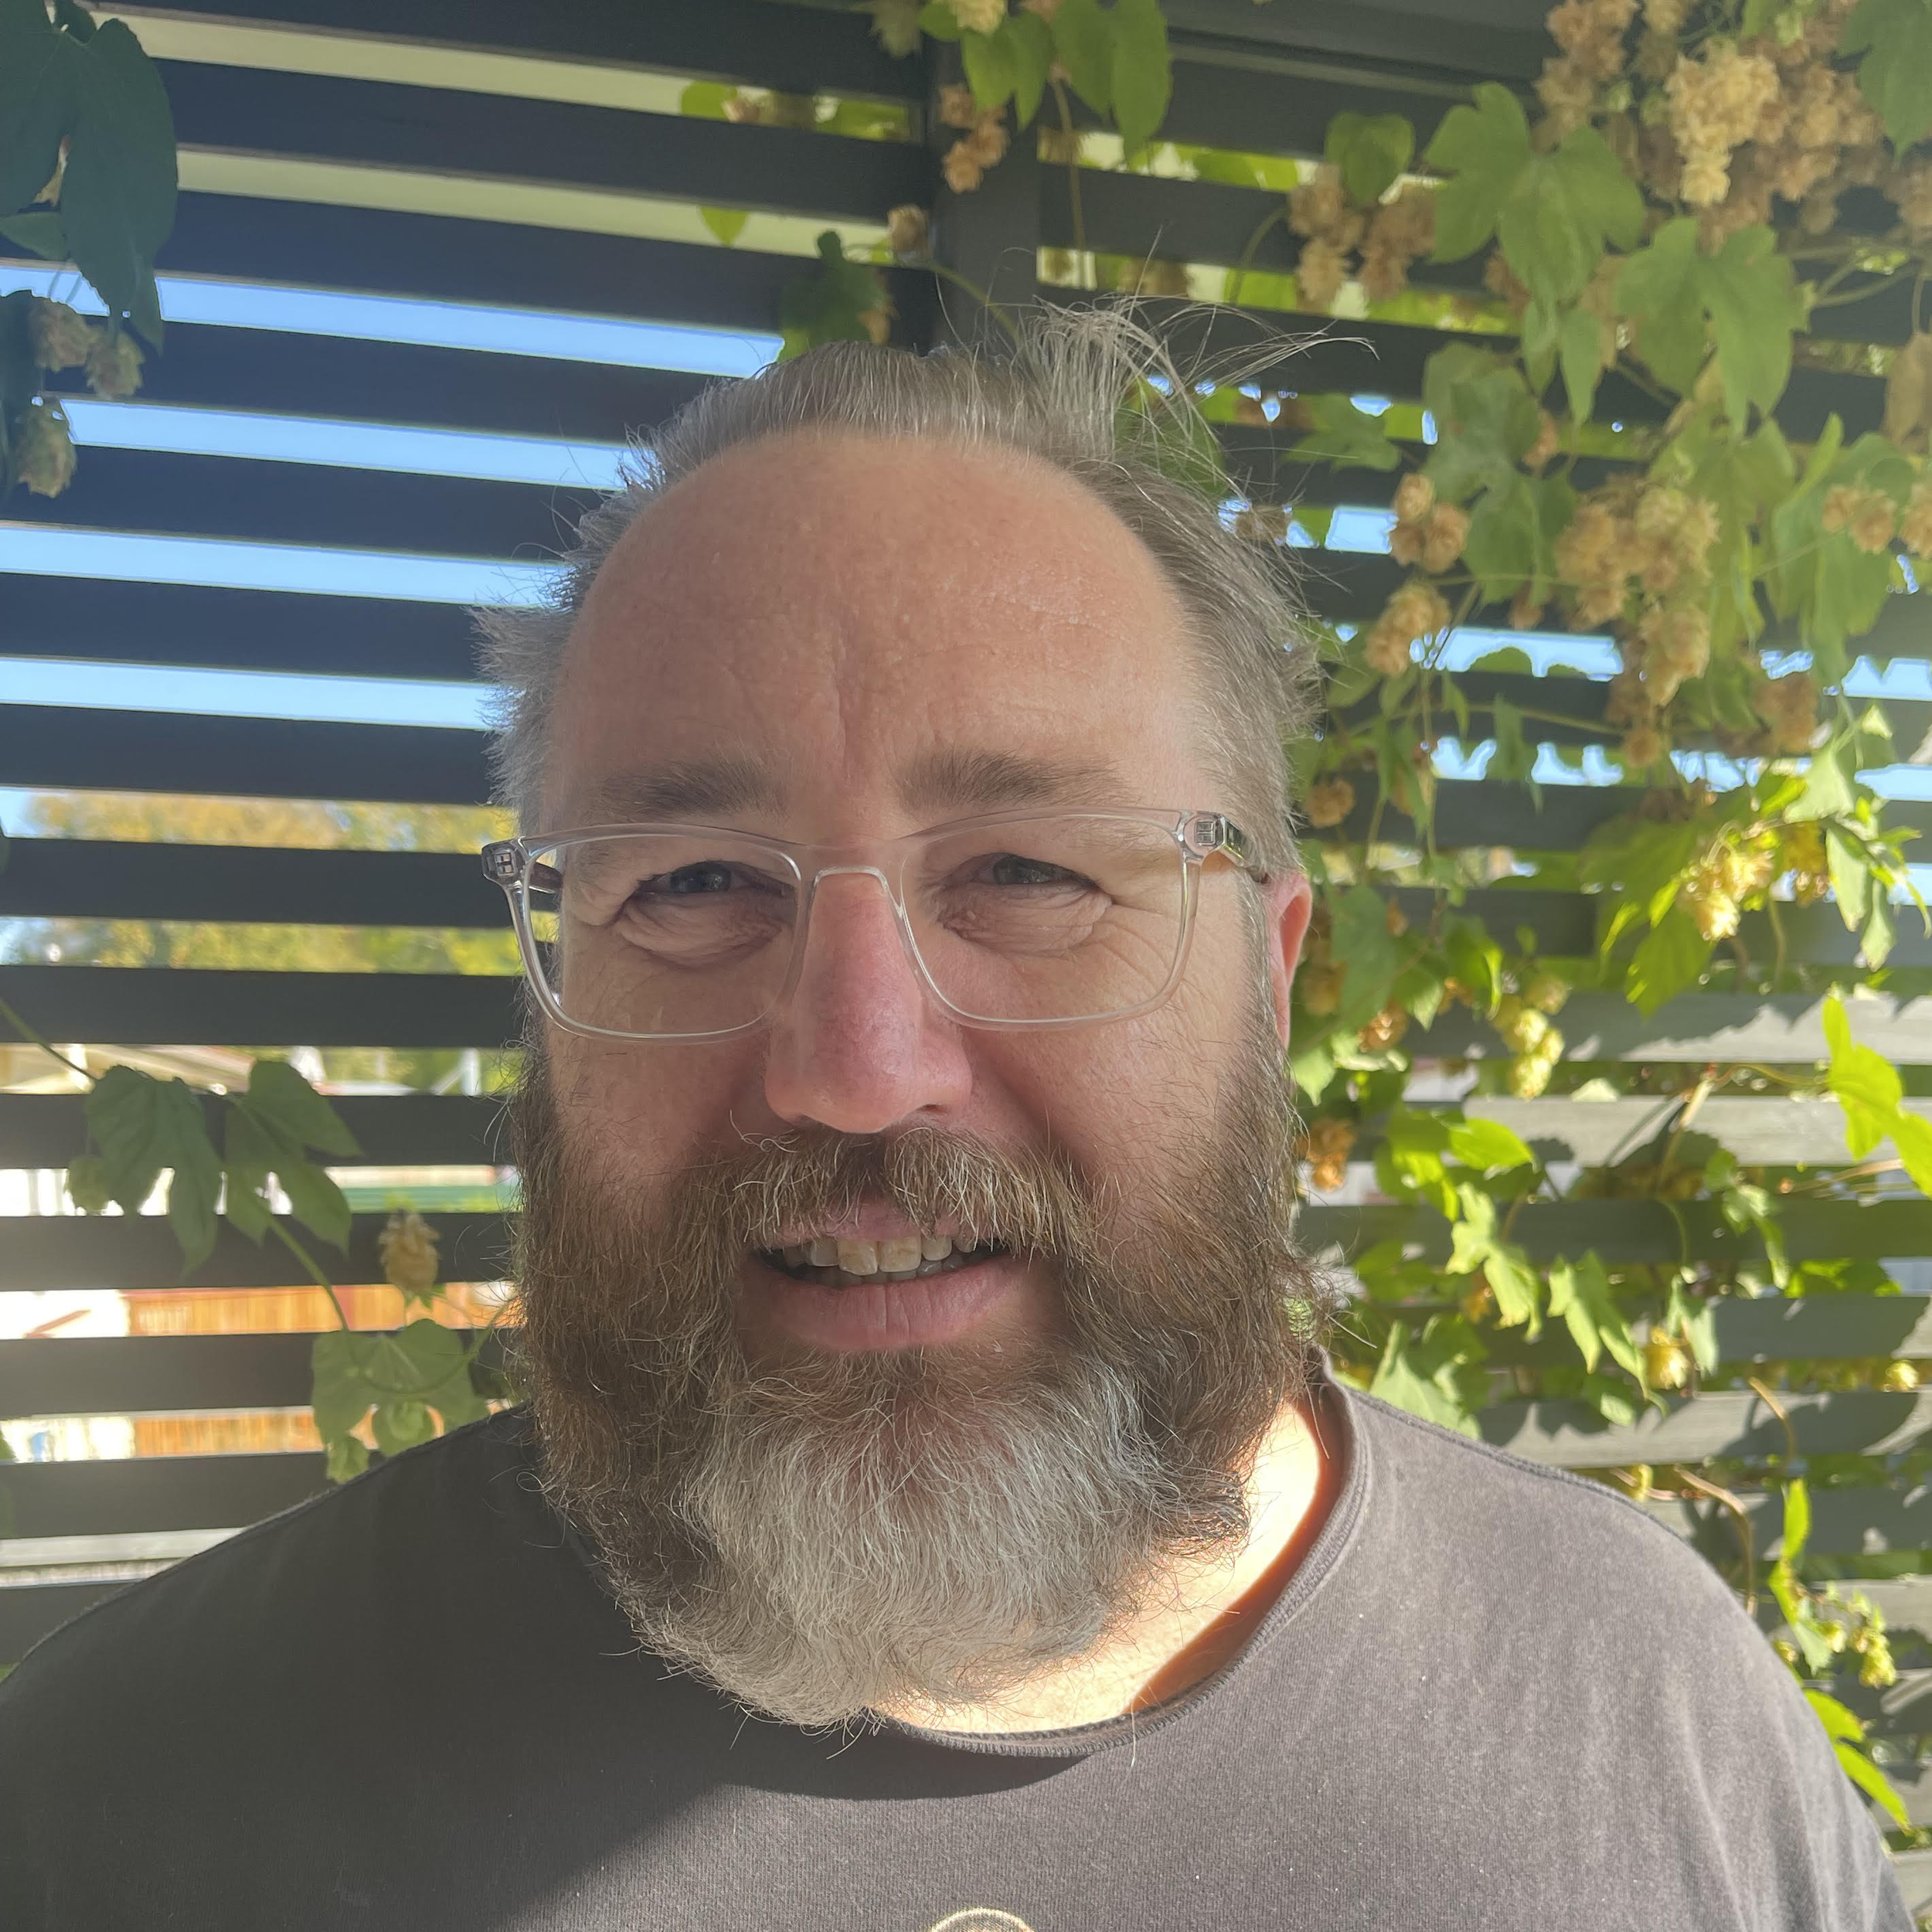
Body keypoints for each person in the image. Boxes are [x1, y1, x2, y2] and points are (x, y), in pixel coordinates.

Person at [0, 305, 1906, 1930]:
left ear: (1268, 976)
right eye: (689, 883)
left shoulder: (1652, 1718)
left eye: (1025, 868)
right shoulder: (125, 1797)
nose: (855, 1062)